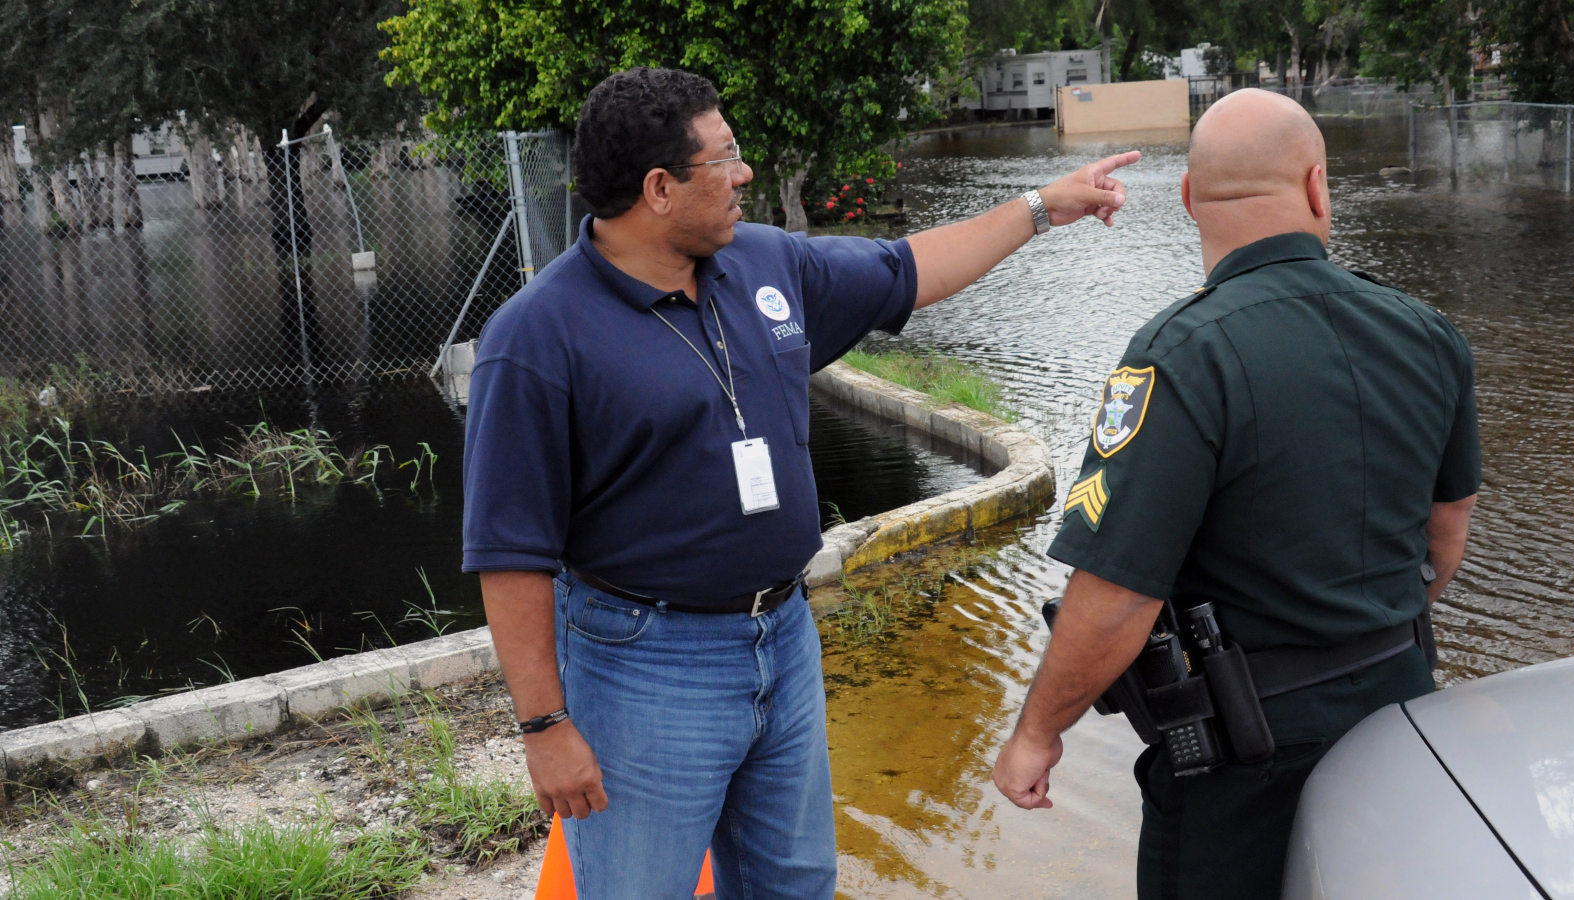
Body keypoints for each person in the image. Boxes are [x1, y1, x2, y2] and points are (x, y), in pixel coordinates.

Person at [462, 67, 1139, 899]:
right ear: (660, 188)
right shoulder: (535, 339)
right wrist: (545, 726)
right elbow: (509, 553)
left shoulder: (764, 264)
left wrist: (1040, 208)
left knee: (793, 883)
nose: (744, 172)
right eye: (727, 156)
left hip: (782, 635)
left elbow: (906, 269)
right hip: (645, 665)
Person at [990, 88, 1480, 899]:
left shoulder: (1178, 356)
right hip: (1401, 716)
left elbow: (1115, 592)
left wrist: (1037, 732)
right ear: (1318, 187)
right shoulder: (1429, 334)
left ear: (1187, 201)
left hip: (1244, 761)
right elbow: (1445, 535)